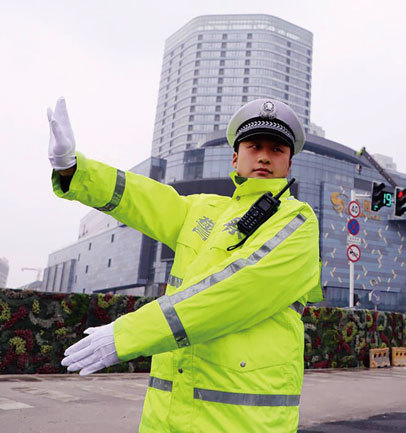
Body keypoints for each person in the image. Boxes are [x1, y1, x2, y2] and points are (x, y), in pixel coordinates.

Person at [49, 97, 322, 432]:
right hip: (165, 417)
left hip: (241, 423)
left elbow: (233, 292)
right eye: (254, 146)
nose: (264, 155)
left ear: (289, 163)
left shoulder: (297, 221)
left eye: (277, 149)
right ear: (236, 158)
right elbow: (141, 196)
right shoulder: (203, 210)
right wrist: (74, 168)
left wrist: (128, 333)